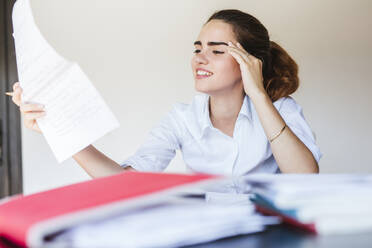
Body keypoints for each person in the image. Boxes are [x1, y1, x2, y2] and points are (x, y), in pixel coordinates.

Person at [10, 9, 321, 179]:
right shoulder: (182, 119)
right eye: (197, 49)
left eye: (216, 51)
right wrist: (63, 132)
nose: (200, 58)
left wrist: (259, 95)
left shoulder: (282, 110)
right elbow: (124, 183)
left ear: (250, 62)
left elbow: (305, 175)